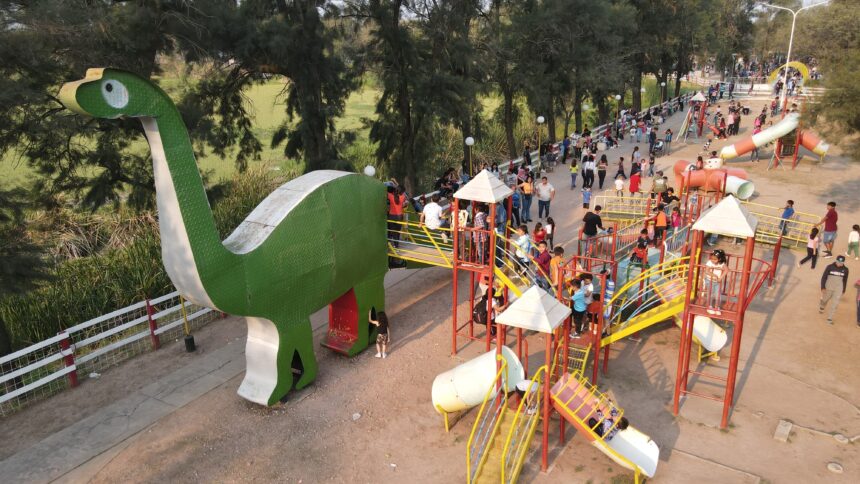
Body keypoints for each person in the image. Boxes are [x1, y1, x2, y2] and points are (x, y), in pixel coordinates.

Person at [820, 255, 850, 324]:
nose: (839, 264)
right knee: (825, 299)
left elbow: (845, 280)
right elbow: (824, 277)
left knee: (835, 303)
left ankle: (829, 318)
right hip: (828, 287)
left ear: (843, 262)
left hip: (838, 288)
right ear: (836, 260)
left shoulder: (846, 269)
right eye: (838, 262)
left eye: (841, 262)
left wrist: (843, 290)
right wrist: (823, 287)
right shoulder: (829, 267)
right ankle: (822, 306)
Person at [703, 249, 727, 315]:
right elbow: (707, 271)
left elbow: (726, 270)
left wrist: (721, 278)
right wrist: (714, 275)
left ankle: (717, 307)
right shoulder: (709, 262)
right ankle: (709, 307)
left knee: (718, 295)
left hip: (717, 282)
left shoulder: (721, 264)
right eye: (712, 259)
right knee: (710, 294)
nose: (713, 260)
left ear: (719, 259)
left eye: (715, 259)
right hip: (709, 280)